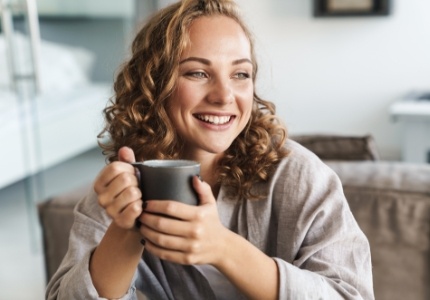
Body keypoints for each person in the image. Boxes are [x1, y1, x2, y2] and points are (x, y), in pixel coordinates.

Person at [46, 0, 374, 299]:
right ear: (155, 84)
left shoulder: (299, 177)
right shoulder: (120, 189)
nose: (224, 95)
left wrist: (223, 248)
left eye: (240, 74)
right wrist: (125, 229)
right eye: (198, 73)